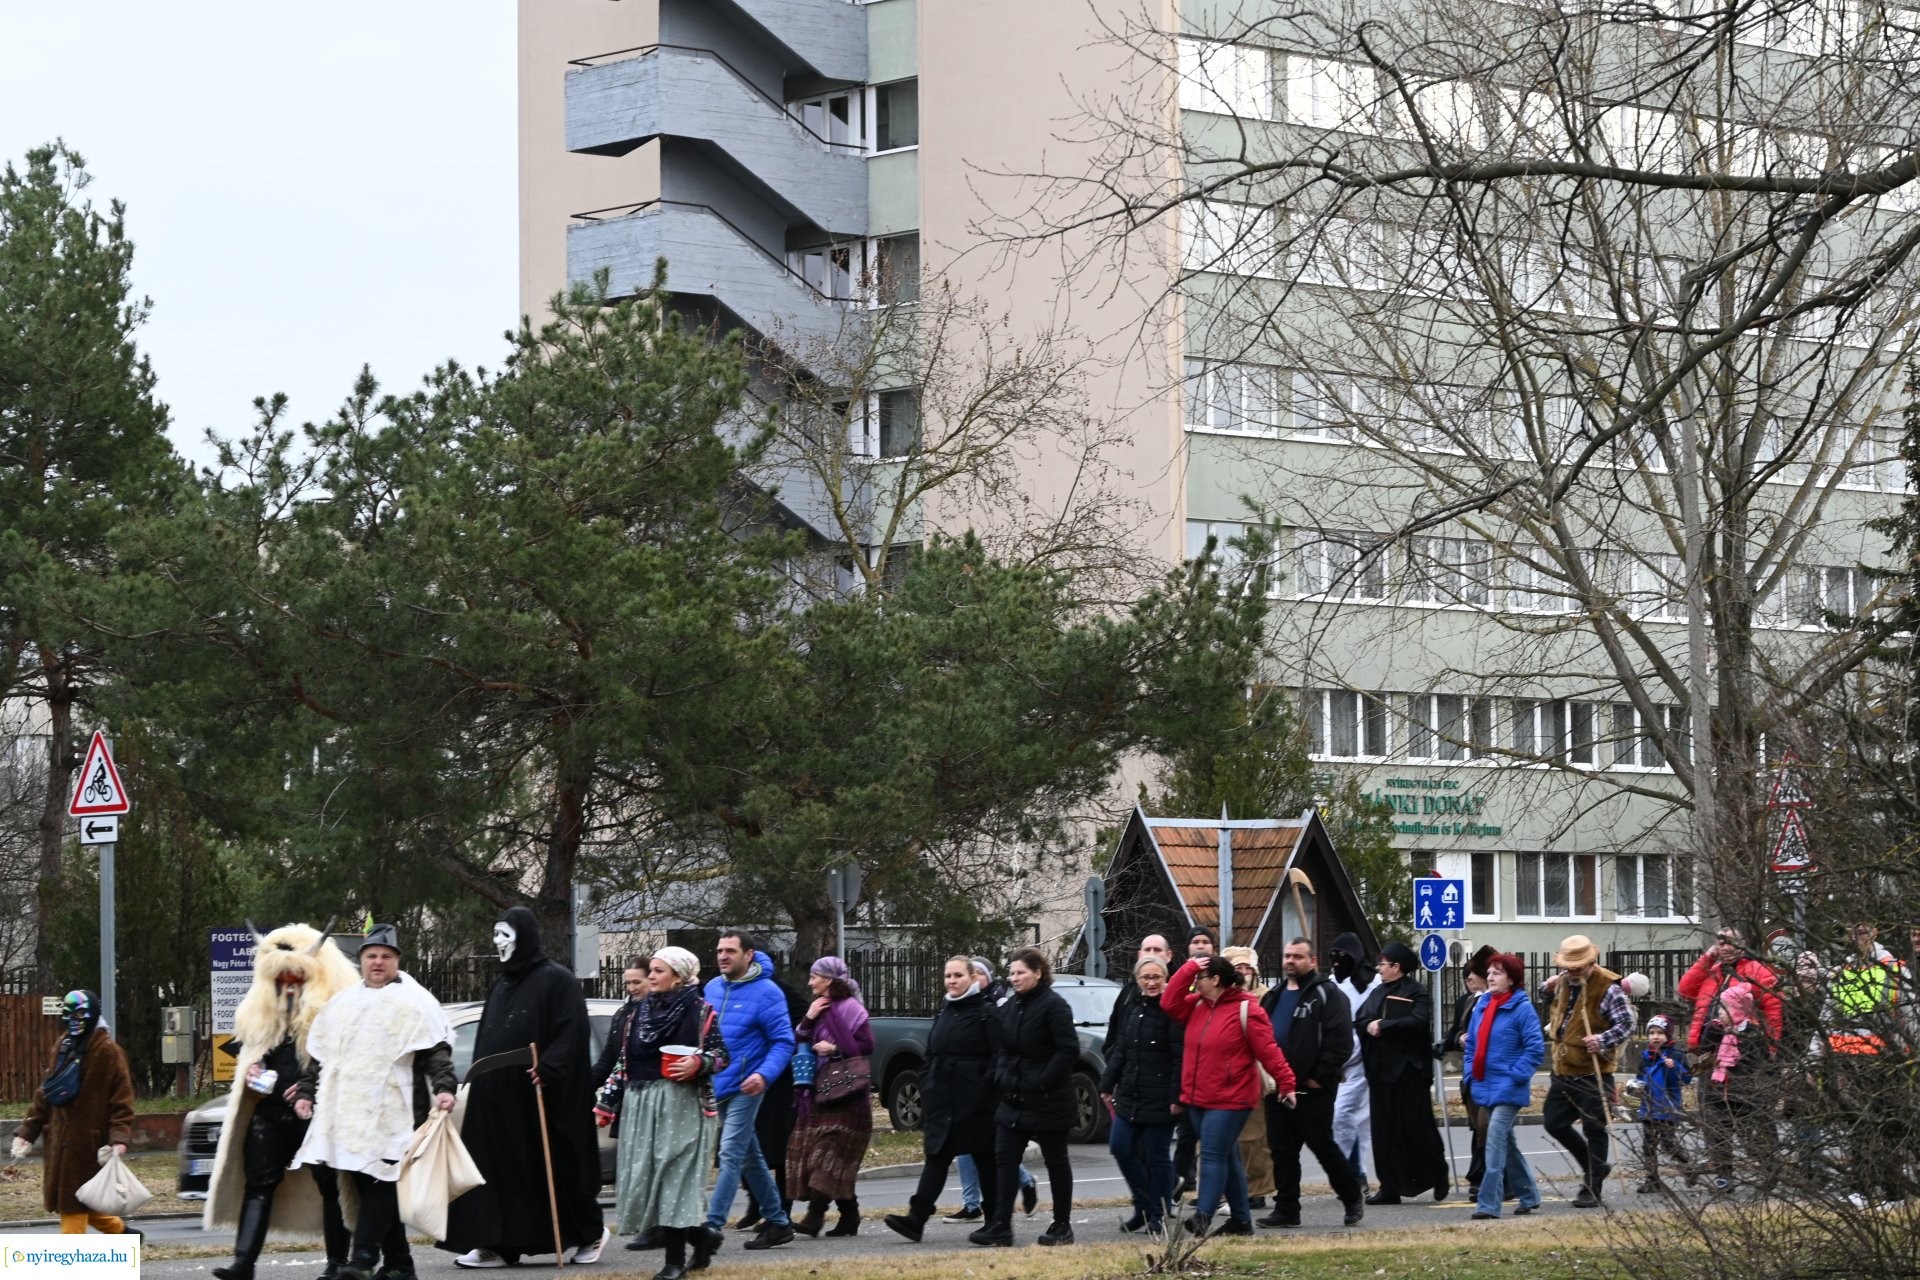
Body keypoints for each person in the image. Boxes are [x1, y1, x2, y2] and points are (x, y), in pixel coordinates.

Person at [289, 925, 456, 1280]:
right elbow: (320, 1057)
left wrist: (444, 1088)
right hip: (348, 1113)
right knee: (367, 1183)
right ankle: (399, 1265)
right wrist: (306, 1094)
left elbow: (435, 1052)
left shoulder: (416, 1002)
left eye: (385, 956)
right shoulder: (342, 1004)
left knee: (382, 1178)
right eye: (371, 956)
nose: (378, 963)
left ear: (397, 960)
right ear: (361, 961)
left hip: (396, 1111)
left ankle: (363, 1259)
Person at [443, 908, 608, 1268]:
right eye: (495, 934)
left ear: (525, 937)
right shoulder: (501, 986)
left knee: (551, 1169)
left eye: (505, 934)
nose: (497, 942)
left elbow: (571, 1030)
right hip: (497, 1104)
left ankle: (589, 1232)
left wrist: (549, 1067)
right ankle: (498, 1244)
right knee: (496, 1174)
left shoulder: (557, 980)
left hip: (538, 1101)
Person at [205, 923, 359, 1280]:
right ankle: (243, 1263)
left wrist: (313, 1088)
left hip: (317, 1113)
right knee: (258, 1183)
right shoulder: (261, 1014)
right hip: (270, 1111)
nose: (289, 983)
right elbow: (255, 1051)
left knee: (332, 1186)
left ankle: (337, 1263)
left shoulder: (333, 1012)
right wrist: (252, 1070)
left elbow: (344, 1063)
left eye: (296, 976)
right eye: (282, 976)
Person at [605, 946, 729, 1280]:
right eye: (652, 971)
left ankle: (674, 1264)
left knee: (675, 1182)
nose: (651, 977)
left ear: (678, 975)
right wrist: (606, 1101)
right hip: (641, 1105)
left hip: (683, 1105)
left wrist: (697, 1062)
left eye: (658, 971)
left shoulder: (700, 1011)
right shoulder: (638, 1012)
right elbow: (624, 1062)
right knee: (653, 1185)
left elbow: (721, 1056)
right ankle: (703, 1237)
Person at [1161, 955, 1296, 1237]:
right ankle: (1241, 1221)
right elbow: (1168, 1002)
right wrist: (1189, 968)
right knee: (1228, 1155)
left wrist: (1286, 1082)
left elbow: (1269, 1050)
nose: (1195, 982)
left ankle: (1203, 1216)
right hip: (1198, 1096)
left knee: (1211, 1152)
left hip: (1232, 1098)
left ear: (1216, 980)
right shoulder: (1196, 1005)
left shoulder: (1247, 1009)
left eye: (1200, 977)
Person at [884, 956, 1002, 1242]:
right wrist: (928, 1086)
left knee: (985, 1160)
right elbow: (932, 1055)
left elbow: (1000, 1059)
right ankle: (916, 1219)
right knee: (936, 1156)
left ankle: (997, 1222)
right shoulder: (945, 1012)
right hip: (943, 1102)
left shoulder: (986, 1013)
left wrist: (983, 1089)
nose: (951, 981)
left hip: (976, 1104)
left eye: (958, 975)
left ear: (972, 978)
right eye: (948, 976)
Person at [971, 948, 1078, 1248]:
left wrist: (1043, 1080)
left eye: (1020, 972)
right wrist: (1003, 1076)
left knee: (1057, 1162)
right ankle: (1001, 1225)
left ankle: (1062, 1225)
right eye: (1012, 973)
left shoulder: (1055, 1006)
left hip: (1049, 1099)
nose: (1014, 978)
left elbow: (1068, 1050)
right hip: (1014, 1097)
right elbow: (1003, 1047)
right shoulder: (1011, 1006)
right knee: (1004, 1159)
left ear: (1038, 973)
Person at [700, 932, 796, 1252]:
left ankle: (712, 1225)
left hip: (747, 1086)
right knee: (749, 1156)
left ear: (749, 955)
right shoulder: (712, 988)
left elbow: (784, 1042)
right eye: (719, 951)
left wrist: (763, 1075)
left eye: (730, 951)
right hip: (718, 1085)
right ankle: (779, 1222)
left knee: (730, 1153)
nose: (723, 956)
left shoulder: (768, 993)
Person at [1259, 938, 1364, 1229]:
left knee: (1323, 1146)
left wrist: (1319, 1076)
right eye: (1287, 956)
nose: (1290, 961)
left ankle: (1352, 1195)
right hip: (1279, 1087)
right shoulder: (1274, 996)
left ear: (1312, 960)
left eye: (1297, 956)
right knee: (1282, 1150)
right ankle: (1287, 1209)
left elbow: (1340, 1042)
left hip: (1313, 1089)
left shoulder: (1326, 995)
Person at [12, 990, 136, 1236]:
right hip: (58, 1144)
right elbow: (46, 1092)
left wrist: (119, 1138)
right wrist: (29, 1130)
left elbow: (122, 1101)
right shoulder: (63, 1045)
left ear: (92, 1014)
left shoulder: (108, 1052)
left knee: (73, 1206)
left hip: (88, 1147)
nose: (73, 1019)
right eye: (68, 1014)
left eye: (79, 1013)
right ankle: (124, 1234)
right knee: (80, 1202)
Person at [1540, 934, 1634, 1207]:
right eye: (1567, 967)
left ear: (1591, 962)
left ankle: (1592, 1188)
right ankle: (1596, 1167)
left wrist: (1602, 1039)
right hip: (1564, 1069)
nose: (1571, 972)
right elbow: (1550, 1002)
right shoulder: (1562, 982)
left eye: (1577, 967)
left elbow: (1626, 1024)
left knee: (1595, 1128)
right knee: (1554, 1122)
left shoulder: (1608, 988)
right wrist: (1546, 988)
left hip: (1594, 1072)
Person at [1354, 941, 1449, 1205]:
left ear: (1396, 966)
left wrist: (1383, 1025)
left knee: (1416, 1128)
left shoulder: (1416, 993)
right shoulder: (1376, 992)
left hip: (1410, 1073)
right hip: (1380, 1072)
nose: (1379, 968)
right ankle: (1390, 1186)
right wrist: (1369, 1025)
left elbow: (1417, 1021)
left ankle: (1438, 1173)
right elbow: (1360, 1019)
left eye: (1383, 964)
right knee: (1384, 1133)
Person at [789, 956, 875, 1238]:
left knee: (827, 1157)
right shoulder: (818, 1007)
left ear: (829, 979)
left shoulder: (851, 1008)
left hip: (846, 1095)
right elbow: (799, 1037)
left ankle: (815, 1217)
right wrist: (810, 1016)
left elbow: (866, 1045)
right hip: (818, 1092)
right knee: (828, 1159)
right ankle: (850, 1216)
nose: (810, 981)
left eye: (815, 976)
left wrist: (834, 1047)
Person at [1100, 956, 1183, 1235]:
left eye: (1156, 977)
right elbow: (1121, 1050)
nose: (1151, 982)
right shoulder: (1134, 1010)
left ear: (1165, 979)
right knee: (1120, 1147)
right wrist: (1106, 1084)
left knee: (1157, 1156)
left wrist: (1175, 1098)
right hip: (1131, 1096)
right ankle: (1143, 1206)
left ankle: (1158, 1213)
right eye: (1145, 977)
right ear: (1137, 980)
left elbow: (1177, 1059)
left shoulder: (1171, 1012)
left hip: (1160, 1099)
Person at [950, 958, 1036, 1222]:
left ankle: (1024, 1180)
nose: (973, 978)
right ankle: (971, 1204)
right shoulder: (958, 1005)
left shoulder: (999, 1005)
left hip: (989, 1090)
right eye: (970, 973)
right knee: (964, 1147)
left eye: (978, 973)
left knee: (989, 1148)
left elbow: (1002, 1049)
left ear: (988, 977)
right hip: (964, 1089)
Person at [1464, 954, 1546, 1220]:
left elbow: (1535, 1049)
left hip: (1509, 1087)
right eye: (1488, 972)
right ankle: (1529, 1195)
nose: (1490, 977)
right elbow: (1472, 1046)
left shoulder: (1522, 1008)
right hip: (1484, 1086)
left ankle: (1488, 1203)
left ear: (1512, 979)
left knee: (1495, 1141)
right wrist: (1469, 1075)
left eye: (1497, 973)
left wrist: (1515, 1076)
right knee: (1506, 1143)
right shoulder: (1483, 1005)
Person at [734, 960, 807, 1232]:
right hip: (747, 1078)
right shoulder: (737, 991)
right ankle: (756, 1205)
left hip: (779, 1082)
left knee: (778, 1151)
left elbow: (802, 1029)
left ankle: (781, 1212)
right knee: (748, 1148)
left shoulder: (782, 992)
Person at [1696, 981, 1773, 1194]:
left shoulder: (1752, 1032)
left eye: (1724, 1007)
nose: (1719, 1012)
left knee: (1750, 1139)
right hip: (1718, 1091)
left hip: (1743, 1093)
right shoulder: (1717, 1029)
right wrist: (1712, 1034)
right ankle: (1724, 1178)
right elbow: (1703, 1052)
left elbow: (1758, 1060)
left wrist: (1737, 1043)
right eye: (1719, 1007)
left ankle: (1770, 1171)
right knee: (1719, 1137)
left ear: (1738, 1009)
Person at [1221, 948, 1277, 1208]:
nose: (1243, 973)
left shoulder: (1266, 997)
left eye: (1248, 968)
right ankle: (1226, 1190)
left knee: (1255, 1136)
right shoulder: (1221, 997)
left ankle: (1257, 1190)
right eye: (1238, 968)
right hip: (1223, 1074)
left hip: (1254, 1072)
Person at [1437, 947, 1495, 1200]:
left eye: (1474, 973)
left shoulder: (1496, 1001)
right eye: (1466, 975)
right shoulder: (1468, 1001)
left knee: (1489, 1127)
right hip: (1472, 1072)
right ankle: (1482, 1176)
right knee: (1478, 1127)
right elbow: (1456, 1033)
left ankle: (1488, 1178)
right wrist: (1452, 1041)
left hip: (1492, 1072)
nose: (1468, 979)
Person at [1677, 928, 1784, 1055]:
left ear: (1742, 944)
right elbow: (1685, 991)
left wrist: (1771, 1047)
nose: (1727, 948)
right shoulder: (1712, 972)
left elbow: (1774, 1009)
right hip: (1706, 1049)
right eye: (1722, 944)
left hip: (1740, 1050)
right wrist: (1707, 959)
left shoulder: (1757, 971)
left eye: (1731, 942)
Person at [1327, 933, 1376, 1195]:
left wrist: (1349, 1051)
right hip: (1338, 1064)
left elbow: (1365, 1024)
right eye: (1332, 957)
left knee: (1347, 1117)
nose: (1337, 962)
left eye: (1342, 957)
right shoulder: (1331, 985)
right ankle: (1355, 1174)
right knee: (1345, 1120)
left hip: (1362, 1064)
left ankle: (1357, 1174)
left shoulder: (1372, 985)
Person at [1171, 927, 1219, 1196]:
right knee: (1186, 1131)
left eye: (1205, 942)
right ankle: (1181, 1179)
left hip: (1210, 1068)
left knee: (1211, 1139)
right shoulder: (1182, 977)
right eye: (1195, 941)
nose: (1200, 946)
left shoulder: (1217, 978)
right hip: (1183, 1062)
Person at [1633, 1014, 1691, 1193]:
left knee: (1668, 1142)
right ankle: (1652, 1179)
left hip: (1669, 1108)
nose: (1655, 1037)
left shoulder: (1677, 1055)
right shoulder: (1645, 1057)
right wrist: (1635, 1087)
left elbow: (1686, 1079)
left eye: (1660, 1033)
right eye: (1651, 1033)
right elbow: (1640, 1079)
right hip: (1649, 1107)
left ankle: (1688, 1166)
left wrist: (1675, 1067)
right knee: (1648, 1146)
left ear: (1668, 1035)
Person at [591, 966, 647, 1093]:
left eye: (637, 982)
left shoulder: (659, 1015)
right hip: (624, 1093)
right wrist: (586, 1085)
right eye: (628, 983)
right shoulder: (621, 1014)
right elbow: (609, 1059)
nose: (632, 988)